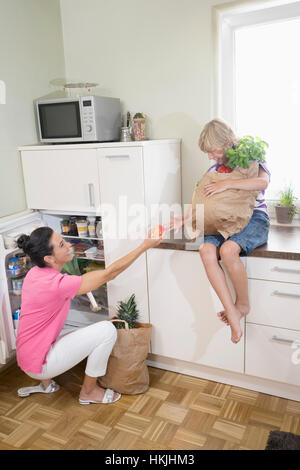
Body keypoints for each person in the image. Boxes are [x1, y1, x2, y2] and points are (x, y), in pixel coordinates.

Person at [16, 226, 163, 404]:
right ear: (48, 258)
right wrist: (144, 246)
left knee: (53, 329)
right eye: (62, 244)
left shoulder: (34, 273)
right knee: (107, 330)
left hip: (26, 356)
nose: (69, 245)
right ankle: (89, 392)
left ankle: (47, 385)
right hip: (41, 363)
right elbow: (110, 273)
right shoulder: (58, 284)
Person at [168, 118, 270, 344]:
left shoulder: (251, 159)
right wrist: (185, 218)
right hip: (223, 222)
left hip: (254, 219)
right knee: (205, 250)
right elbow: (204, 199)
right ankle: (231, 311)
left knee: (228, 251)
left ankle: (242, 304)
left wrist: (227, 184)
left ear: (227, 142)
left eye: (212, 151)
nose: (210, 156)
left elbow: (262, 183)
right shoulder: (214, 169)